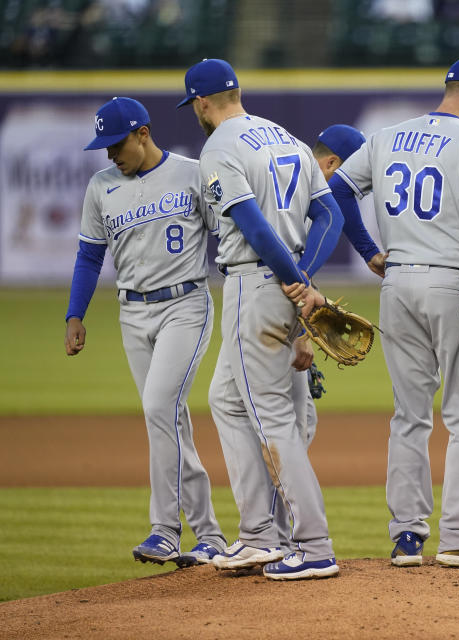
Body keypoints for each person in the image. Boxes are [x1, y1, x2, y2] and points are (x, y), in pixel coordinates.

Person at [329, 56, 459, 569]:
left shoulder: (388, 136)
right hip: (451, 283)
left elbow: (337, 191)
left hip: (397, 284)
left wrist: (366, 247)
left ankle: (407, 538)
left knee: (409, 416)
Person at [177, 58, 344, 581]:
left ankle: (314, 545)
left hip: (258, 284)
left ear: (202, 103)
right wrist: (305, 277)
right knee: (227, 400)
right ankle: (258, 536)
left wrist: (295, 283)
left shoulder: (219, 147)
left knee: (270, 414)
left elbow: (250, 225)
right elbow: (330, 214)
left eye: (195, 106)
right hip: (284, 281)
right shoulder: (288, 138)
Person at [64, 97, 226, 568]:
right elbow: (89, 255)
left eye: (116, 144)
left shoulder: (192, 172)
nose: (110, 154)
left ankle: (164, 530)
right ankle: (211, 536)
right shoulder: (101, 186)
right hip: (131, 314)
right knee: (168, 420)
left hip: (185, 305)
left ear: (143, 133)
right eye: (104, 147)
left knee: (159, 407)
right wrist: (75, 314)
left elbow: (229, 231)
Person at [276, 124, 367, 543]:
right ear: (332, 164)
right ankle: (284, 538)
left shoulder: (290, 184)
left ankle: (275, 535)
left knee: (296, 427)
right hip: (278, 319)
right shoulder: (305, 195)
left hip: (276, 311)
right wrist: (300, 330)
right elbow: (286, 273)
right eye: (351, 176)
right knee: (286, 430)